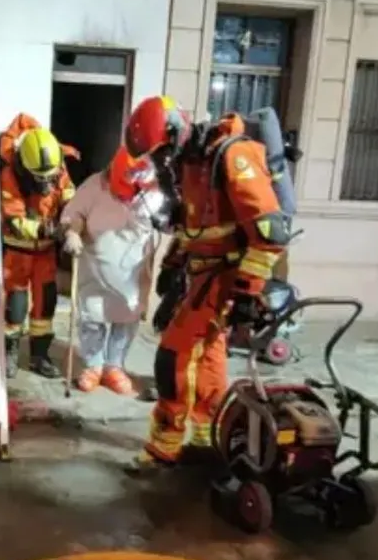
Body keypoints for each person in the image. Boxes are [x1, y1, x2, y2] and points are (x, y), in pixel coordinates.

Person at [123, 97, 291, 474]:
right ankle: (205, 438)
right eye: (156, 156)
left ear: (177, 131)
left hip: (227, 277)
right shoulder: (190, 165)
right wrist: (174, 264)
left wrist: (248, 293)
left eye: (164, 150)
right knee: (208, 356)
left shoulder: (232, 155)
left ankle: (165, 446)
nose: (162, 161)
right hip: (203, 277)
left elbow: (270, 233)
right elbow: (194, 225)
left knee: (173, 356)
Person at [58, 145, 170, 396]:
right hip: (96, 268)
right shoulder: (94, 185)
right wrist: (73, 232)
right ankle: (93, 365)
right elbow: (75, 213)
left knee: (127, 319)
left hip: (134, 272)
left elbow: (168, 223)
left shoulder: (154, 191)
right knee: (92, 318)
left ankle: (114, 366)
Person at [0, 113, 77, 379]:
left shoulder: (56, 163)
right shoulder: (11, 174)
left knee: (46, 305)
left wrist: (72, 222)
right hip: (17, 253)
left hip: (45, 254)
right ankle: (8, 352)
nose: (46, 183)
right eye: (39, 178)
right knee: (16, 306)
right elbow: (16, 219)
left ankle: (39, 357)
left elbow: (68, 194)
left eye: (50, 177)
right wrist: (46, 229)